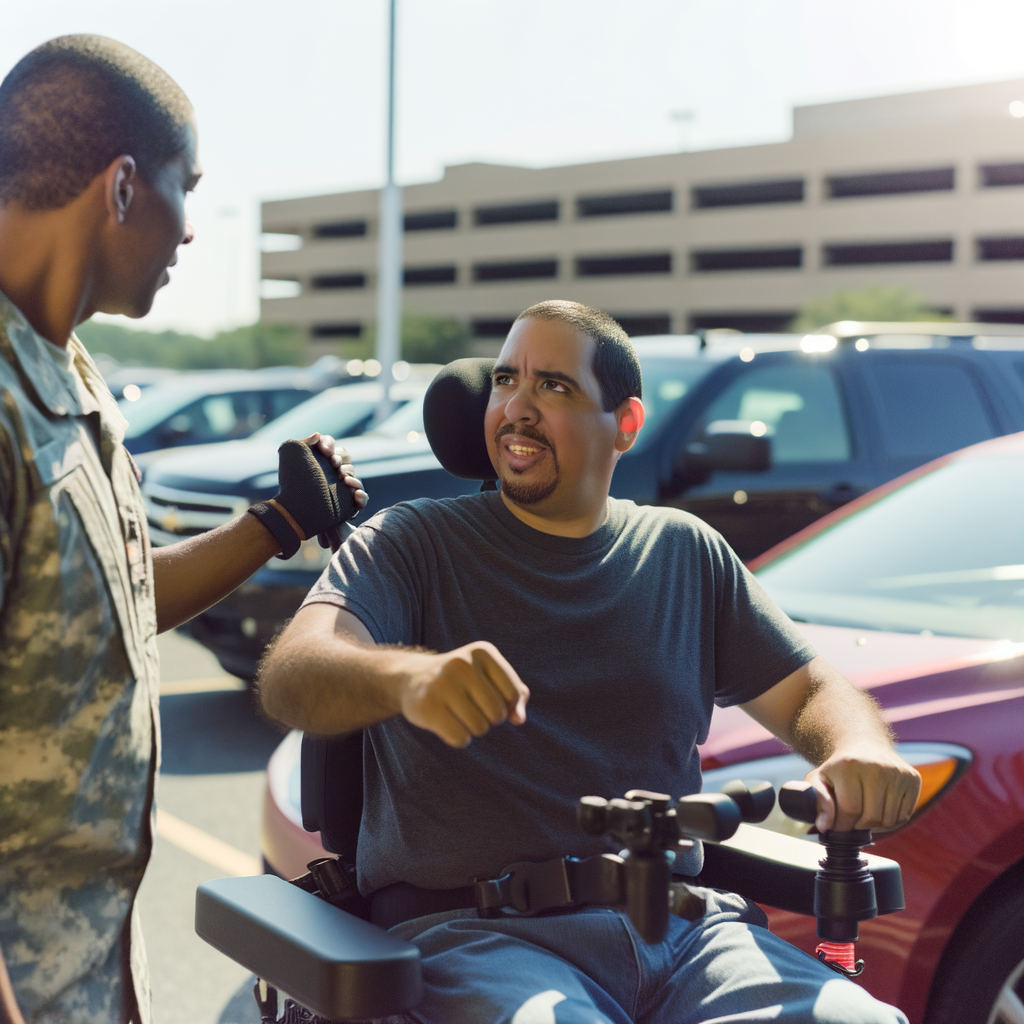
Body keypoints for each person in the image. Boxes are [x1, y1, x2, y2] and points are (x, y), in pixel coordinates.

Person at [259, 300, 923, 1024]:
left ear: (626, 425)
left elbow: (811, 690)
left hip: (689, 933)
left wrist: (857, 745)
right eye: (506, 381)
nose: (515, 408)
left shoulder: (683, 553)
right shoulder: (410, 543)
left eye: (554, 387)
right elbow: (295, 672)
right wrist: (408, 677)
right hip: (482, 938)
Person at [0, 35, 365, 1024]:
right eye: (183, 187)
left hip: (89, 973)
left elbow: (96, 607)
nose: (191, 231)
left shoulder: (71, 375)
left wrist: (275, 525)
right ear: (121, 190)